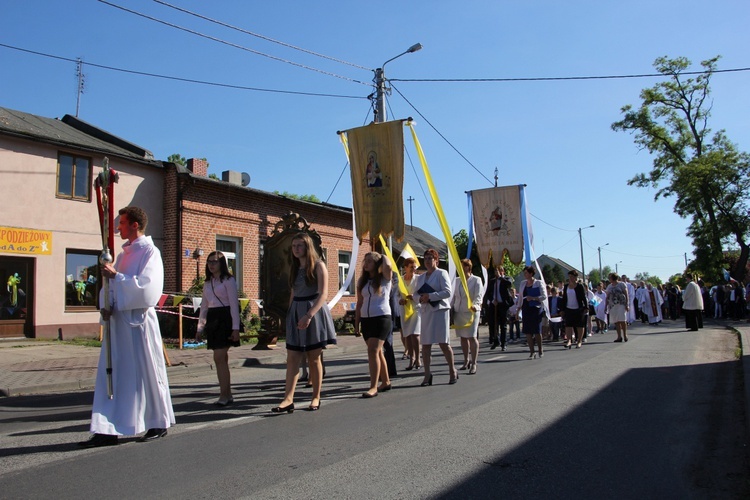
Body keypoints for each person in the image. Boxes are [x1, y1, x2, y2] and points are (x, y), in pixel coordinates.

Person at [79, 206, 175, 448]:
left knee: (148, 373)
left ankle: (158, 422)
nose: (118, 227)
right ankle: (108, 428)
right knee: (114, 374)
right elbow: (111, 286)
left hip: (140, 322)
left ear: (134, 225)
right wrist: (106, 304)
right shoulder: (122, 256)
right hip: (119, 324)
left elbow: (148, 289)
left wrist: (117, 278)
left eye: (121, 223)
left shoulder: (150, 252)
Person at [272, 233, 337, 413]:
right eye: (294, 246)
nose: (296, 249)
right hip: (296, 310)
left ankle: (316, 397)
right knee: (292, 357)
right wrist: (290, 315)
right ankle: (288, 399)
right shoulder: (294, 268)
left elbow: (323, 294)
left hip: (313, 310)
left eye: (299, 245)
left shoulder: (318, 265)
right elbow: (293, 292)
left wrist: (309, 315)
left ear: (307, 247)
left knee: (313, 357)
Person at [196, 251, 241, 406]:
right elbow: (204, 306)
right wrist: (200, 327)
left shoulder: (228, 280)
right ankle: (227, 394)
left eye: (215, 262)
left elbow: (234, 305)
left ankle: (223, 394)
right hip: (213, 319)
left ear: (222, 263)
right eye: (209, 262)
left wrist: (236, 328)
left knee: (219, 357)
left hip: (225, 318)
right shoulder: (207, 283)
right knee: (221, 359)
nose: (212, 265)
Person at [413, 248, 458, 385]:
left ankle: (452, 370)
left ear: (436, 260)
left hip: (440, 311)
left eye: (430, 258)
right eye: (425, 258)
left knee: (443, 343)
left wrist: (430, 296)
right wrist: (420, 298)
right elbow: (415, 294)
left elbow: (447, 292)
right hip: (426, 312)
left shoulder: (441, 273)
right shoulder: (420, 277)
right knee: (426, 345)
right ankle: (427, 374)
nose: (427, 261)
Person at [354, 251, 393, 398]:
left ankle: (373, 387)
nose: (366, 264)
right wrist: (356, 324)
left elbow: (388, 265)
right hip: (366, 319)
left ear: (377, 264)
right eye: (365, 261)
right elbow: (359, 303)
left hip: (382, 317)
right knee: (377, 352)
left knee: (372, 351)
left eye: (370, 261)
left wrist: (381, 255)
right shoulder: (361, 282)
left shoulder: (385, 279)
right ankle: (386, 381)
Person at [451, 259, 483, 374]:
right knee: (463, 337)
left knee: (471, 337)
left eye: (462, 266)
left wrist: (475, 305)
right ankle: (466, 361)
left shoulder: (476, 280)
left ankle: (474, 363)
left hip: (471, 312)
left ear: (468, 267)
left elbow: (479, 296)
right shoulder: (457, 281)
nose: (460, 268)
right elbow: (454, 297)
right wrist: (451, 308)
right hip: (459, 312)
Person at [516, 266, 547, 359]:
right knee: (527, 331)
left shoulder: (538, 283)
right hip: (526, 308)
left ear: (531, 273)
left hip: (535, 308)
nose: (525, 275)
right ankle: (532, 351)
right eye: (524, 273)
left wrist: (534, 298)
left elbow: (544, 296)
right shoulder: (523, 283)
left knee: (536, 330)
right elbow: (521, 298)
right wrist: (518, 310)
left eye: (526, 273)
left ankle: (540, 350)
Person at [398, 258, 421, 371]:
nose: (413, 269)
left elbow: (422, 293)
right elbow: (396, 294)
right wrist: (400, 300)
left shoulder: (418, 279)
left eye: (415, 267)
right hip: (405, 310)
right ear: (405, 267)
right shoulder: (400, 280)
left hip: (416, 309)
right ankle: (411, 358)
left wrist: (414, 297)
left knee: (415, 334)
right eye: (411, 267)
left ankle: (418, 357)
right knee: (407, 335)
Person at [561, 270, 587, 349]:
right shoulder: (566, 286)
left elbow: (583, 297)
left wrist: (586, 307)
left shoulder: (579, 286)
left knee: (579, 325)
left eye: (572, 276)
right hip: (569, 308)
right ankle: (569, 341)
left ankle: (579, 341)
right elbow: (564, 298)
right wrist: (562, 309)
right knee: (568, 325)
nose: (570, 278)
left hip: (578, 308)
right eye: (569, 277)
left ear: (575, 277)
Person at [492, 266, 514, 350]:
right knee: (494, 324)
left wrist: (501, 278)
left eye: (500, 270)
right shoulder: (493, 281)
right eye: (496, 271)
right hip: (495, 304)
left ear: (503, 271)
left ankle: (504, 343)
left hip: (503, 305)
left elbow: (509, 284)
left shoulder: (507, 279)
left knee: (503, 325)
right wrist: (492, 300)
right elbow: (490, 292)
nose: (498, 272)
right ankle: (496, 340)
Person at [606, 273, 629, 342]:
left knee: (622, 320)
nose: (609, 279)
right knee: (616, 321)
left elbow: (626, 294)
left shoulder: (622, 284)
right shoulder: (609, 286)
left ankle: (625, 335)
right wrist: (606, 306)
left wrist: (627, 304)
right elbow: (607, 296)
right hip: (613, 305)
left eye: (610, 278)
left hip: (621, 304)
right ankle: (619, 336)